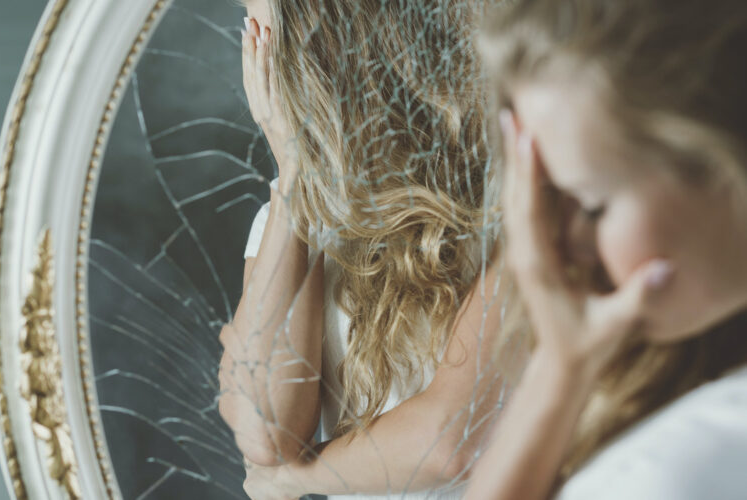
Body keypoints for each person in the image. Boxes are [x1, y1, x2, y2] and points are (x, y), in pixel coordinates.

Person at [217, 0, 507, 498]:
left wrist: (294, 477)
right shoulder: (288, 226)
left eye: (257, 17)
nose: (248, 43)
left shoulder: (504, 197)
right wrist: (294, 171)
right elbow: (265, 433)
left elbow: (449, 440)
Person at [467, 0, 747, 498]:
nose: (560, 250)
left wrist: (560, 369)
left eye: (592, 207)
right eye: (548, 202)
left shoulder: (680, 469)